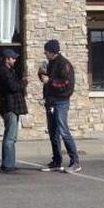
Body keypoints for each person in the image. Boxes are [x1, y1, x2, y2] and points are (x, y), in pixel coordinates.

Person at [38, 39, 80, 173]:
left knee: (63, 131)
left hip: (61, 101)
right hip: (50, 101)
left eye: (46, 52)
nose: (45, 54)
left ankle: (75, 162)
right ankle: (57, 161)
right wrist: (42, 74)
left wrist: (50, 81)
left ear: (52, 52)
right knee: (53, 132)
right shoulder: (50, 63)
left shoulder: (64, 64)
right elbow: (47, 80)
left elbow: (67, 85)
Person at [0, 49, 27, 173]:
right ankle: (8, 165)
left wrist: (20, 82)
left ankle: (9, 163)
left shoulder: (9, 71)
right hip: (10, 107)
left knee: (12, 137)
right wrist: (23, 82)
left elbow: (14, 84)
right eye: (12, 58)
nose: (14, 60)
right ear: (7, 58)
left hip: (13, 106)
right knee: (10, 137)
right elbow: (13, 86)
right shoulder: (3, 71)